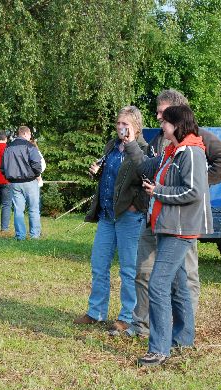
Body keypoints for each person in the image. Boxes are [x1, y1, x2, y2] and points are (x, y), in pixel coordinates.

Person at [121, 89, 221, 338]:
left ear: (177, 114)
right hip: (157, 217)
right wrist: (131, 144)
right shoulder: (162, 141)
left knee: (183, 279)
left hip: (182, 221)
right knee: (144, 271)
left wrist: (196, 183)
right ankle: (142, 325)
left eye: (162, 113)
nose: (157, 117)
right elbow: (145, 166)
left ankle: (182, 330)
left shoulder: (197, 137)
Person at [137, 105, 212, 367]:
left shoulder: (190, 152)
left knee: (157, 285)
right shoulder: (175, 151)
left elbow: (194, 191)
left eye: (165, 120)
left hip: (180, 230)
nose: (160, 122)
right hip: (170, 227)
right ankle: (182, 339)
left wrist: (158, 192)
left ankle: (158, 349)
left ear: (177, 124)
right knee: (178, 285)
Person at [73, 106, 147, 333]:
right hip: (107, 215)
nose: (121, 128)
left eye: (125, 124)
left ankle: (127, 317)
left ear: (136, 126)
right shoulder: (112, 146)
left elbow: (150, 179)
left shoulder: (143, 149)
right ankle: (95, 312)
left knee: (128, 269)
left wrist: (137, 204)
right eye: (118, 124)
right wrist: (98, 168)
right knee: (99, 265)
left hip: (128, 217)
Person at [1, 126, 43, 240]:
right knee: (33, 209)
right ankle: (34, 235)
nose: (30, 137)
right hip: (30, 181)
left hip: (14, 183)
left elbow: (3, 167)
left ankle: (20, 235)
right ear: (25, 134)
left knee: (18, 210)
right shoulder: (30, 146)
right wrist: (37, 174)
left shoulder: (8, 147)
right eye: (29, 135)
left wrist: (9, 177)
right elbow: (36, 163)